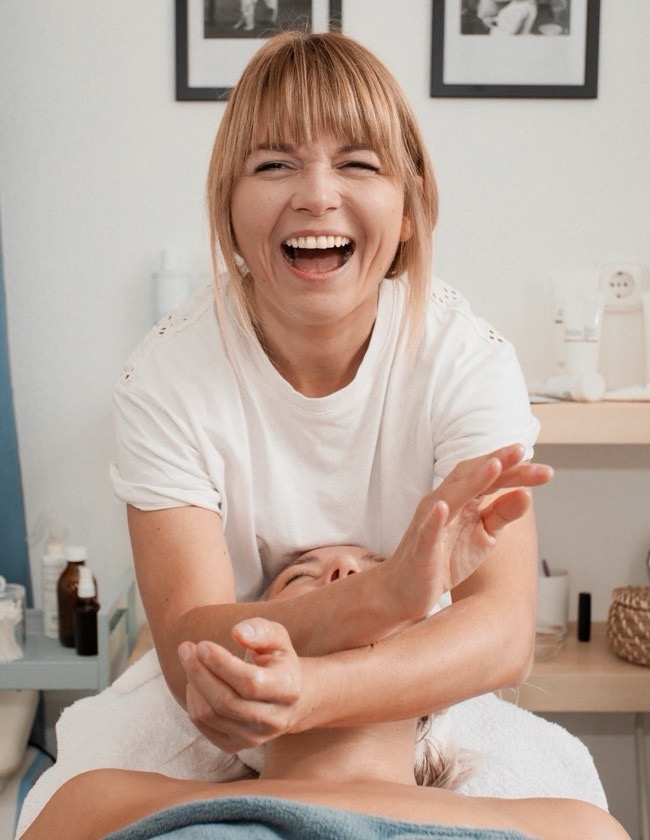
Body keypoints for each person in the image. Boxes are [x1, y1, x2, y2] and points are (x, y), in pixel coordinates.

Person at [110, 29, 553, 760]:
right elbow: (189, 644)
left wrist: (313, 693)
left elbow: (504, 632)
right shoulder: (166, 379)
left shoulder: (465, 361)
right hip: (230, 709)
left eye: (358, 164)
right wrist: (383, 597)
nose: (316, 196)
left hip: (411, 692)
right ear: (227, 209)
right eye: (274, 164)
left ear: (408, 209)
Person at [21, 539, 629, 840]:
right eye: (299, 578)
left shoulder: (574, 828)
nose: (344, 575)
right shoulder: (97, 801)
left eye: (381, 574)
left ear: (442, 672)